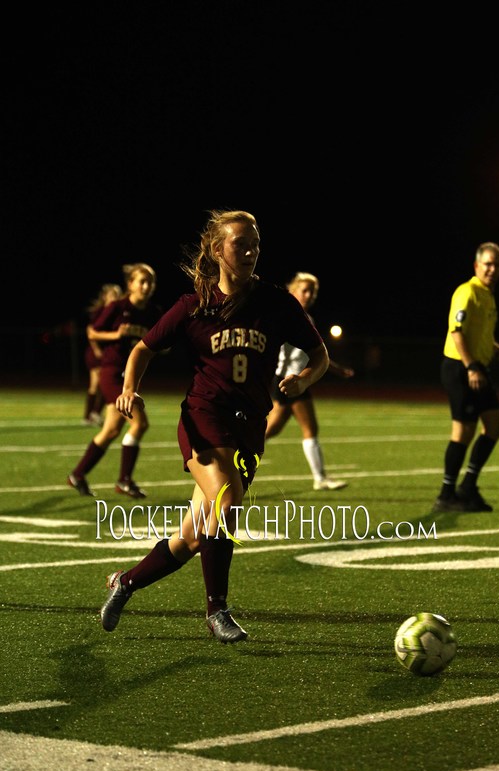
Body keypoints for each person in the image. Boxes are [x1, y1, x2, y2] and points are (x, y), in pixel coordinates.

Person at [99, 210, 329, 643]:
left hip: (249, 427)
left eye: (255, 244)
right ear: (217, 249)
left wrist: (304, 378)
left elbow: (320, 355)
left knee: (190, 537)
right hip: (204, 417)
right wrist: (128, 388)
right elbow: (143, 350)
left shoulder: (277, 302)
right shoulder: (194, 305)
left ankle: (125, 582)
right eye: (240, 243)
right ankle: (216, 610)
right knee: (228, 499)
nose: (250, 251)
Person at [433, 242, 499, 513]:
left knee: (495, 426)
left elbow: (481, 334)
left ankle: (468, 486)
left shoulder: (487, 295)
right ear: (476, 265)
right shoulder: (467, 292)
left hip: (478, 367)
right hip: (460, 368)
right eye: (488, 264)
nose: (492, 269)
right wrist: (471, 367)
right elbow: (456, 332)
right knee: (464, 430)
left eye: (497, 265)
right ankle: (446, 495)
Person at [68, 263, 162, 499]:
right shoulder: (117, 307)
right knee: (139, 424)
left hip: (130, 375)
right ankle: (124, 480)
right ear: (130, 284)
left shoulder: (152, 312)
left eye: (150, 282)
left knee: (110, 430)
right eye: (141, 281)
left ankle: (78, 474)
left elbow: (162, 344)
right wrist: (117, 334)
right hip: (112, 373)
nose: (146, 286)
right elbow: (92, 332)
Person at [265, 272, 354, 490]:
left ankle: (240, 451)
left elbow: (314, 354)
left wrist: (336, 369)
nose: (308, 295)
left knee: (271, 429)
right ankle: (320, 478)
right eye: (304, 290)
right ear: (293, 289)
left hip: (295, 379)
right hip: (291, 380)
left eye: (312, 291)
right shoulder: (287, 315)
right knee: (309, 428)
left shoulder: (304, 317)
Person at [82, 283, 122, 426]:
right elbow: (90, 331)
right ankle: (89, 415)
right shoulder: (101, 311)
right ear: (105, 297)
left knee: (104, 385)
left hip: (107, 354)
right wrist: (97, 349)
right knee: (96, 385)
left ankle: (94, 414)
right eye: (112, 295)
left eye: (117, 294)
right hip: (96, 354)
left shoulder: (117, 312)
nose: (115, 298)